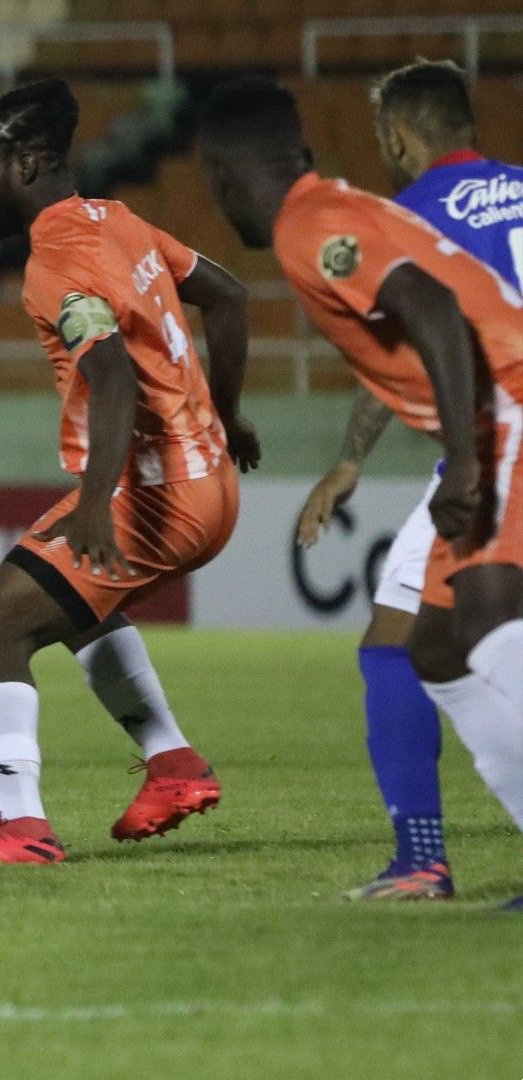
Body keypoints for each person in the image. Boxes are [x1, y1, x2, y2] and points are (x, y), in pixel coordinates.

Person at [199, 76, 523, 910]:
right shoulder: (358, 209)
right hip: (489, 418)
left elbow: (434, 310)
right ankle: (428, 859)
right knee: (439, 649)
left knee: (484, 617)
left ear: (224, 178)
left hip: (505, 412)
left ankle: (422, 858)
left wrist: (467, 460)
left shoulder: (320, 227)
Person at [0, 79, 260, 867]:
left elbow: (113, 377)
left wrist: (99, 502)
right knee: (86, 609)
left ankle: (20, 826)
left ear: (31, 165)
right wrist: (232, 414)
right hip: (212, 483)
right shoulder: (121, 222)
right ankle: (173, 765)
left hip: (154, 495)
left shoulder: (57, 262)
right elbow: (230, 297)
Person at [293, 60, 523, 900]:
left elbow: (408, 343)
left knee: (394, 646)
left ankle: (421, 857)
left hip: (500, 438)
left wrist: (351, 459)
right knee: (438, 642)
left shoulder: (410, 217)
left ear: (397, 134)